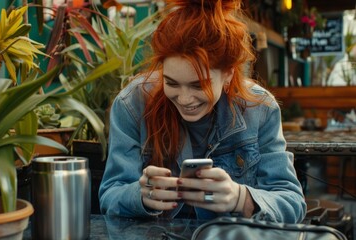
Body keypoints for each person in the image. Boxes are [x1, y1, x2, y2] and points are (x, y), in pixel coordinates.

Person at [99, 0, 306, 223]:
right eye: (172, 83)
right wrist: (140, 196)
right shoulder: (132, 104)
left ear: (228, 74)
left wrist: (239, 198)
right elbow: (110, 195)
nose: (185, 99)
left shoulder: (260, 108)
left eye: (199, 86)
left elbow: (292, 202)